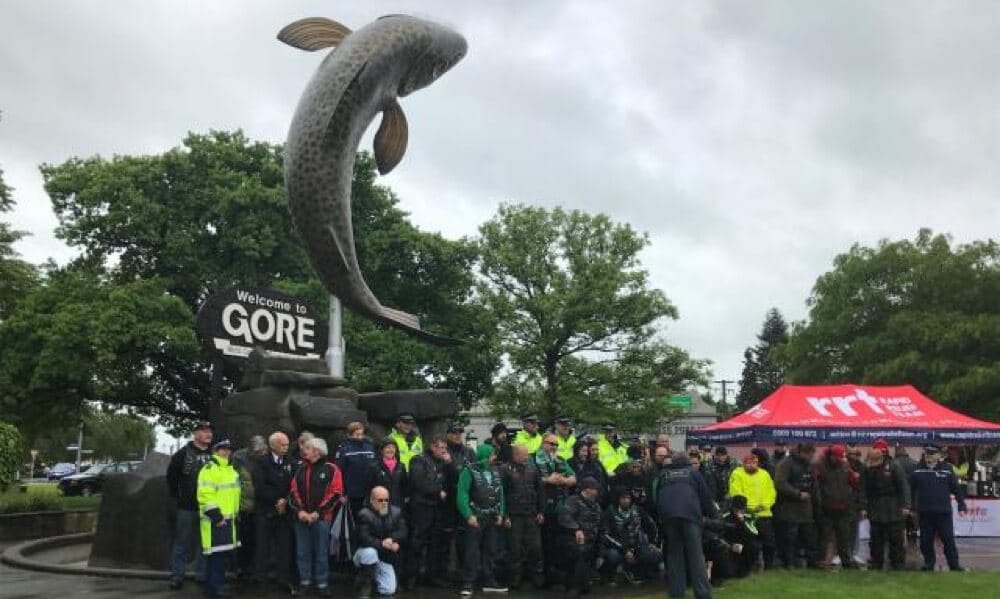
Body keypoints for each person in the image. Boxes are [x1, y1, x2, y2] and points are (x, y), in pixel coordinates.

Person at [656, 451, 717, 599]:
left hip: (669, 517)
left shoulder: (663, 475)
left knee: (674, 555)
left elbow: (657, 497)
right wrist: (713, 515)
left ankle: (676, 592)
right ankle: (702, 593)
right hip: (690, 516)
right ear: (687, 462)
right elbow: (706, 497)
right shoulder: (693, 473)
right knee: (696, 555)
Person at [290, 437, 344, 596]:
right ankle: (304, 582)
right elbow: (293, 492)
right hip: (301, 518)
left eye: (308, 448)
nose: (303, 450)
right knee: (302, 552)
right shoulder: (300, 469)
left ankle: (322, 583)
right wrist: (300, 511)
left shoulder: (331, 468)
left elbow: (336, 493)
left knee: (321, 552)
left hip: (321, 519)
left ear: (317, 451)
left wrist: (317, 513)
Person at [166, 420, 213, 589]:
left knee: (205, 543)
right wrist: (179, 497)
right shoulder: (182, 454)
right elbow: (171, 478)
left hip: (208, 507)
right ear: (195, 433)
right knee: (182, 542)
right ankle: (177, 575)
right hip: (187, 507)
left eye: (210, 431)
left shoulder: (215, 455)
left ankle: (202, 574)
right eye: (204, 430)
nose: (208, 434)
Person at [456, 443, 508, 596]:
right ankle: (468, 582)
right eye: (492, 455)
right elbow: (462, 494)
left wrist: (501, 513)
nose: (494, 457)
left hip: (492, 517)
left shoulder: (495, 471)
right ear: (485, 456)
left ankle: (489, 580)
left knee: (491, 550)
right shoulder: (468, 471)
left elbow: (500, 493)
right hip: (475, 517)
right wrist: (468, 514)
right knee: (471, 551)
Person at [251, 431, 296, 594]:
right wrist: (277, 500)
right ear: (273, 445)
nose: (286, 448)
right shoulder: (261, 462)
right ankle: (260, 581)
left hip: (284, 513)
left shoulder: (291, 462)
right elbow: (260, 486)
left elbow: (294, 484)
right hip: (265, 511)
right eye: (283, 445)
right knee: (262, 548)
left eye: (287, 445)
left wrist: (286, 500)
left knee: (284, 548)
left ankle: (283, 579)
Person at [196, 437, 241, 598]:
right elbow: (205, 495)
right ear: (215, 450)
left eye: (228, 449)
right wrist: (217, 517)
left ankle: (215, 587)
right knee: (216, 557)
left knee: (220, 557)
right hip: (216, 520)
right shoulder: (210, 469)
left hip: (228, 519)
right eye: (223, 449)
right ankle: (214, 589)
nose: (226, 452)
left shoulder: (230, 469)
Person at [910, 445, 967, 572]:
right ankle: (929, 564)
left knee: (948, 540)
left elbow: (956, 489)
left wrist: (961, 504)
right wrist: (910, 507)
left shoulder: (947, 469)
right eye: (927, 454)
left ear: (938, 455)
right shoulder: (917, 470)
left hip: (943, 512)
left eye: (931, 454)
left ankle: (954, 565)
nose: (928, 457)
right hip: (925, 512)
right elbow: (910, 489)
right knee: (925, 541)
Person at [406, 437, 452, 588]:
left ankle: (431, 576)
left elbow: (452, 480)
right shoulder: (419, 460)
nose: (444, 451)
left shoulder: (442, 463)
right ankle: (411, 577)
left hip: (437, 509)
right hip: (421, 508)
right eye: (441, 448)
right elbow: (418, 482)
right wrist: (438, 491)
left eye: (445, 448)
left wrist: (449, 464)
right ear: (433, 447)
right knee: (417, 543)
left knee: (435, 544)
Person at [500, 443, 546, 590]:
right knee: (515, 550)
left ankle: (537, 579)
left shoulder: (533, 469)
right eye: (524, 454)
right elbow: (502, 494)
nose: (527, 457)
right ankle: (514, 580)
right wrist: (505, 515)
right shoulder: (505, 469)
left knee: (535, 548)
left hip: (531, 514)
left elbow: (540, 491)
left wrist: (541, 511)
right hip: (514, 515)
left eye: (527, 454)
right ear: (515, 454)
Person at [813, 444, 863, 568]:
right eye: (838, 457)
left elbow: (854, 483)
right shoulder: (820, 466)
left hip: (843, 507)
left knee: (843, 536)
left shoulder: (845, 466)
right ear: (832, 456)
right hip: (826, 507)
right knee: (824, 536)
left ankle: (846, 560)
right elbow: (816, 485)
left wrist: (854, 476)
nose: (841, 459)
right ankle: (821, 560)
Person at [535, 433, 577, 579]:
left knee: (558, 543)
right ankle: (544, 575)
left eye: (556, 445)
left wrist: (563, 481)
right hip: (542, 508)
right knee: (544, 543)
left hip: (560, 508)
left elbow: (573, 478)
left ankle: (557, 573)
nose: (554, 447)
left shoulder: (560, 459)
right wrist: (548, 480)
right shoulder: (533, 459)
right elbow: (530, 479)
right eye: (551, 444)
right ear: (543, 443)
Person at [600, 486, 662, 584]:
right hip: (617, 547)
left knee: (655, 555)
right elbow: (605, 535)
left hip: (637, 546)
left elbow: (652, 526)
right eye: (623, 498)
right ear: (618, 499)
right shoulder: (610, 512)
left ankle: (638, 572)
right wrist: (625, 550)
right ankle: (614, 573)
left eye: (628, 498)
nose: (626, 501)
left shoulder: (638, 510)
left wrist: (653, 542)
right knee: (613, 556)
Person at [354, 486, 407, 599]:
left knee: (389, 589)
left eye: (386, 500)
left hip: (384, 556)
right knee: (370, 553)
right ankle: (365, 583)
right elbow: (363, 538)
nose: (384, 503)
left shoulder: (396, 512)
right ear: (372, 500)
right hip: (364, 552)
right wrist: (382, 543)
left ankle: (374, 580)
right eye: (380, 500)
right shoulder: (364, 514)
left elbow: (403, 531)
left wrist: (393, 540)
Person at [864, 446, 911, 571]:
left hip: (893, 508)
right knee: (876, 539)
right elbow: (864, 489)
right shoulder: (868, 469)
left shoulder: (894, 466)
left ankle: (897, 563)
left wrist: (906, 505)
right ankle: (876, 562)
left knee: (896, 539)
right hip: (875, 508)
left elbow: (904, 486)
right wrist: (863, 506)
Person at [773, 443, 819, 569]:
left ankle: (812, 563)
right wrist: (797, 493)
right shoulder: (786, 463)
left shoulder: (808, 465)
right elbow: (780, 482)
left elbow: (813, 483)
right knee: (790, 539)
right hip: (789, 508)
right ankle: (789, 563)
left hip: (806, 508)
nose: (812, 457)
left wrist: (816, 501)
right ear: (803, 452)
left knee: (809, 538)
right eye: (810, 454)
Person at [727, 452, 776, 569]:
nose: (751, 465)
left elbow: (771, 492)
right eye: (748, 463)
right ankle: (748, 566)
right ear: (743, 464)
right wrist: (748, 508)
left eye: (754, 463)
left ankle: (769, 567)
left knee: (769, 542)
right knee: (749, 543)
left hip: (764, 514)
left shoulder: (764, 474)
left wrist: (764, 505)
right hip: (746, 515)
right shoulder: (737, 474)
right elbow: (736, 492)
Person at [557, 477, 603, 599]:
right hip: (571, 539)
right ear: (587, 489)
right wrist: (576, 529)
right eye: (594, 489)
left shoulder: (597, 506)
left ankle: (583, 582)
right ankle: (573, 587)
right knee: (578, 552)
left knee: (586, 587)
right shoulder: (573, 501)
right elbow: (564, 517)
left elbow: (600, 529)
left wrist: (600, 553)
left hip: (590, 542)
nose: (596, 492)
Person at [445, 423, 477, 580]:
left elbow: (473, 472)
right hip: (448, 499)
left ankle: (464, 570)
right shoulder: (445, 450)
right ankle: (447, 571)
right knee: (447, 536)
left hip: (465, 498)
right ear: (448, 434)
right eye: (454, 432)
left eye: (460, 433)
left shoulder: (469, 451)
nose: (458, 435)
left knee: (464, 536)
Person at [233, 435, 266, 578]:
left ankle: (256, 569)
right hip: (244, 507)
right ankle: (242, 567)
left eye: (261, 452)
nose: (259, 455)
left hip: (260, 506)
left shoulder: (266, 458)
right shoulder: (239, 458)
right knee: (243, 539)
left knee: (259, 540)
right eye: (257, 453)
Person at [336, 421, 376, 517]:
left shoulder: (369, 447)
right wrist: (342, 493)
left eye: (361, 434)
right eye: (357, 434)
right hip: (352, 492)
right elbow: (339, 471)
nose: (360, 437)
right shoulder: (344, 449)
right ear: (350, 435)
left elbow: (375, 466)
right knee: (354, 518)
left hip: (368, 491)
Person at [568, 439, 609, 507]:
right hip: (574, 501)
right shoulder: (569, 463)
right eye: (583, 451)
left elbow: (600, 483)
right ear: (576, 451)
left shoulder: (592, 464)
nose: (585, 454)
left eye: (587, 451)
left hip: (593, 501)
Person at [370, 437, 408, 508]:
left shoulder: (401, 466)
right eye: (388, 447)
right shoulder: (374, 466)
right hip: (381, 503)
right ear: (382, 450)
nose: (391, 450)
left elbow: (404, 487)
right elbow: (370, 487)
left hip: (398, 503)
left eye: (393, 447)